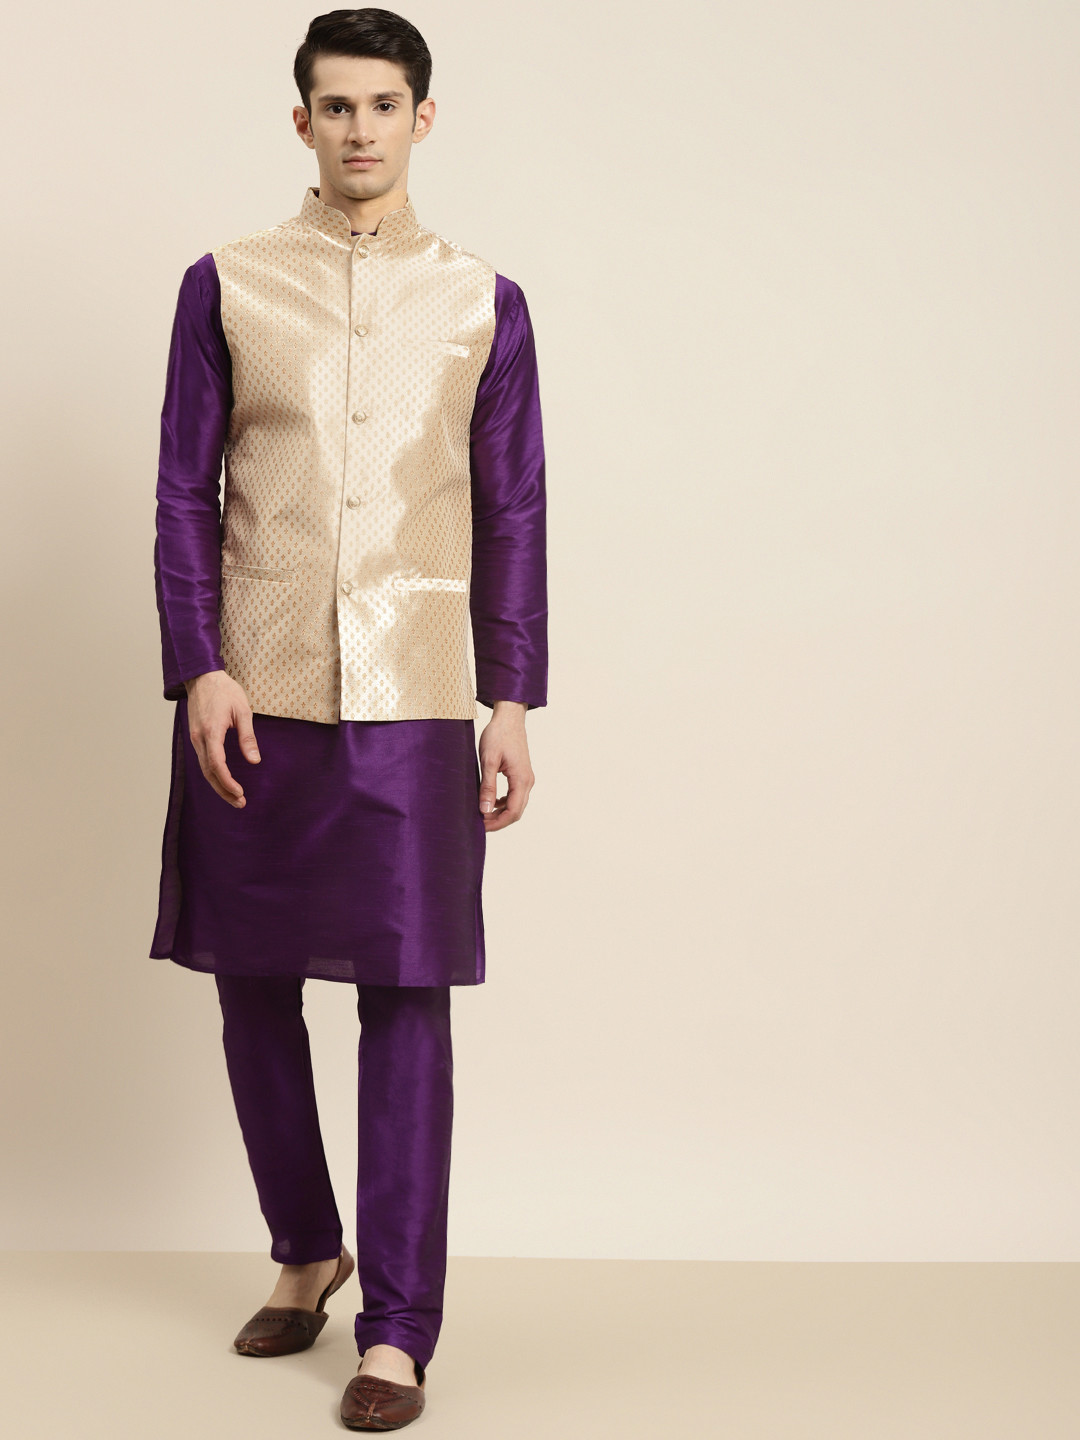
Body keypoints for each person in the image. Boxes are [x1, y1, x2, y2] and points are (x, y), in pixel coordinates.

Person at [148, 9, 547, 1431]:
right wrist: (198, 663)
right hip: (253, 691)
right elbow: (183, 486)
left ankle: (399, 1331)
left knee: (406, 993)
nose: (360, 128)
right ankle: (306, 1249)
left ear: (422, 118)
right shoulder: (228, 285)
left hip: (418, 696)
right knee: (250, 982)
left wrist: (511, 697)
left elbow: (512, 507)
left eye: (384, 104)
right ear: (301, 121)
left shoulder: (484, 300)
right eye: (336, 105)